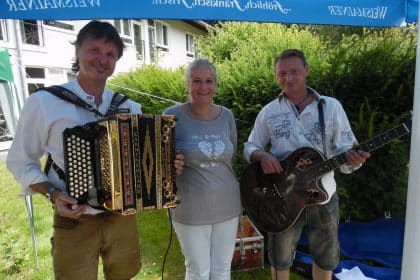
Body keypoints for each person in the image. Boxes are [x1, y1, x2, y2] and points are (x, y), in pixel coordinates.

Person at [6, 20, 183, 280]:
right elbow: (20, 161)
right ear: (78, 50)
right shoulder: (45, 103)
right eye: (94, 50)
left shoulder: (129, 107)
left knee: (124, 275)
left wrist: (167, 165)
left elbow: (147, 161)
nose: (102, 59)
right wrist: (53, 194)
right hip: (75, 216)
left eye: (110, 54)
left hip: (123, 216)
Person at [243, 49, 371, 280]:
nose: (288, 78)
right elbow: (250, 146)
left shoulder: (331, 107)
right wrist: (262, 157)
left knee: (326, 257)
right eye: (282, 73)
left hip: (324, 196)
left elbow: (345, 150)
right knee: (280, 258)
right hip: (283, 196)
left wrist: (353, 160)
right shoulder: (269, 111)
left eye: (294, 71)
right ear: (276, 76)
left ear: (306, 71)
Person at [164, 59, 242, 280]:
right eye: (196, 81)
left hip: (228, 205)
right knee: (198, 271)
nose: (203, 87)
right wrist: (170, 166)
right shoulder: (171, 115)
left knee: (222, 270)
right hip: (189, 208)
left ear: (216, 84)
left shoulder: (227, 115)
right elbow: (159, 164)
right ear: (187, 84)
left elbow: (231, 156)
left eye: (209, 81)